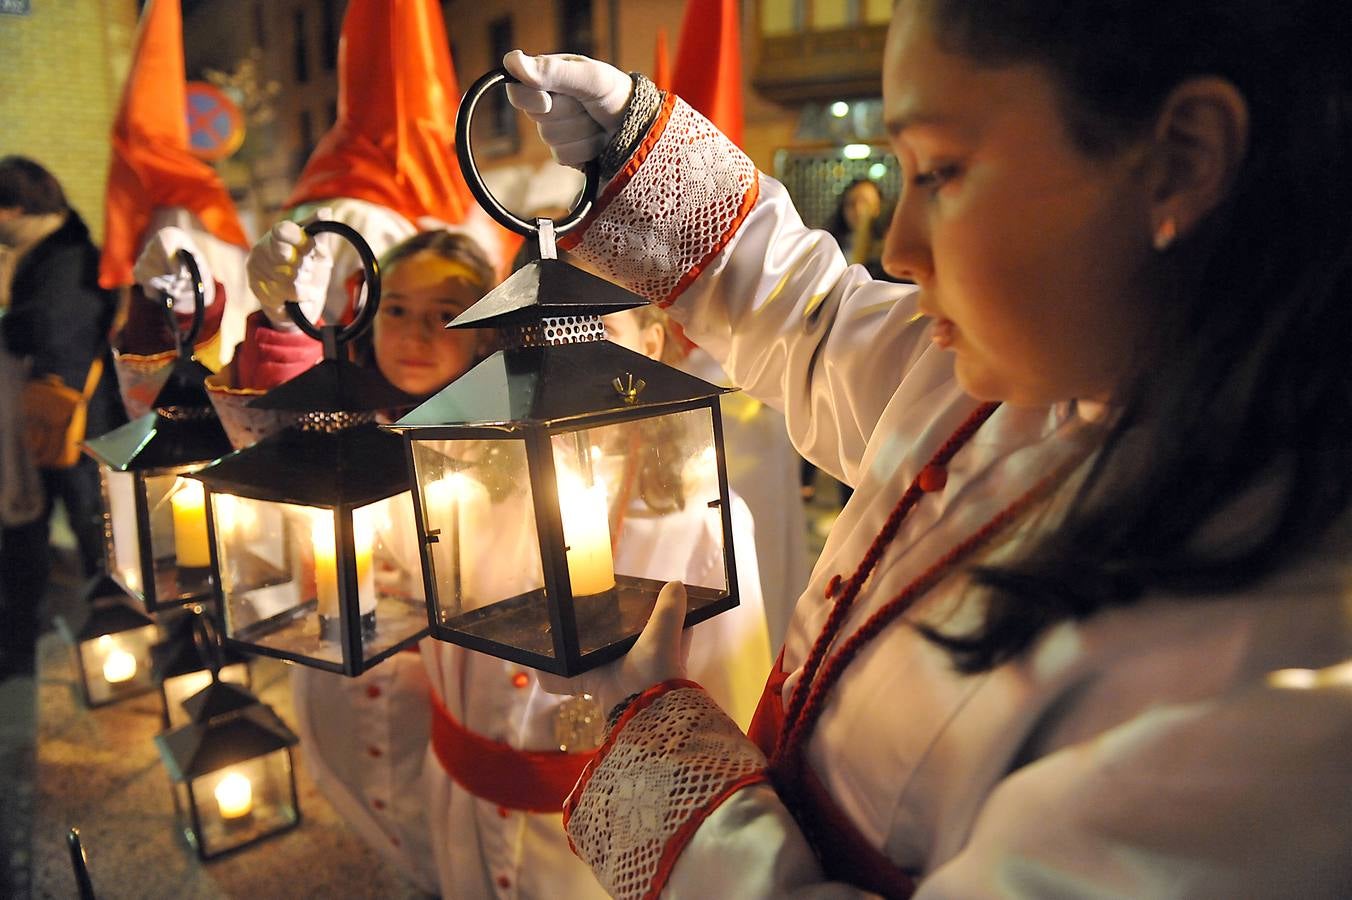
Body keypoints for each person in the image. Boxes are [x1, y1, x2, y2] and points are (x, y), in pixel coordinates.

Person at [498, 0, 1352, 894]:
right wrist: (633, 152)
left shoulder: (1278, 688)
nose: (899, 250)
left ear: (1182, 161)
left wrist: (663, 770)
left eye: (940, 172)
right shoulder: (1021, 363)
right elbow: (817, 324)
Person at [235, 222, 773, 898]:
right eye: (533, 333)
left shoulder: (699, 520)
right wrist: (290, 340)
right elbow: (324, 503)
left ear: (653, 342)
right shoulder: (451, 468)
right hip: (457, 816)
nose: (559, 360)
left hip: (592, 860)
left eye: (589, 328)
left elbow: (728, 715)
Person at [0, 157, 126, 679]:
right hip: (52, 422)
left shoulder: (65, 257)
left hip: (69, 423)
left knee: (88, 527)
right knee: (33, 529)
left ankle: (115, 636)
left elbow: (56, 335)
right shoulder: (41, 251)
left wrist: (10, 331)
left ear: (15, 207)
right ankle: (24, 643)